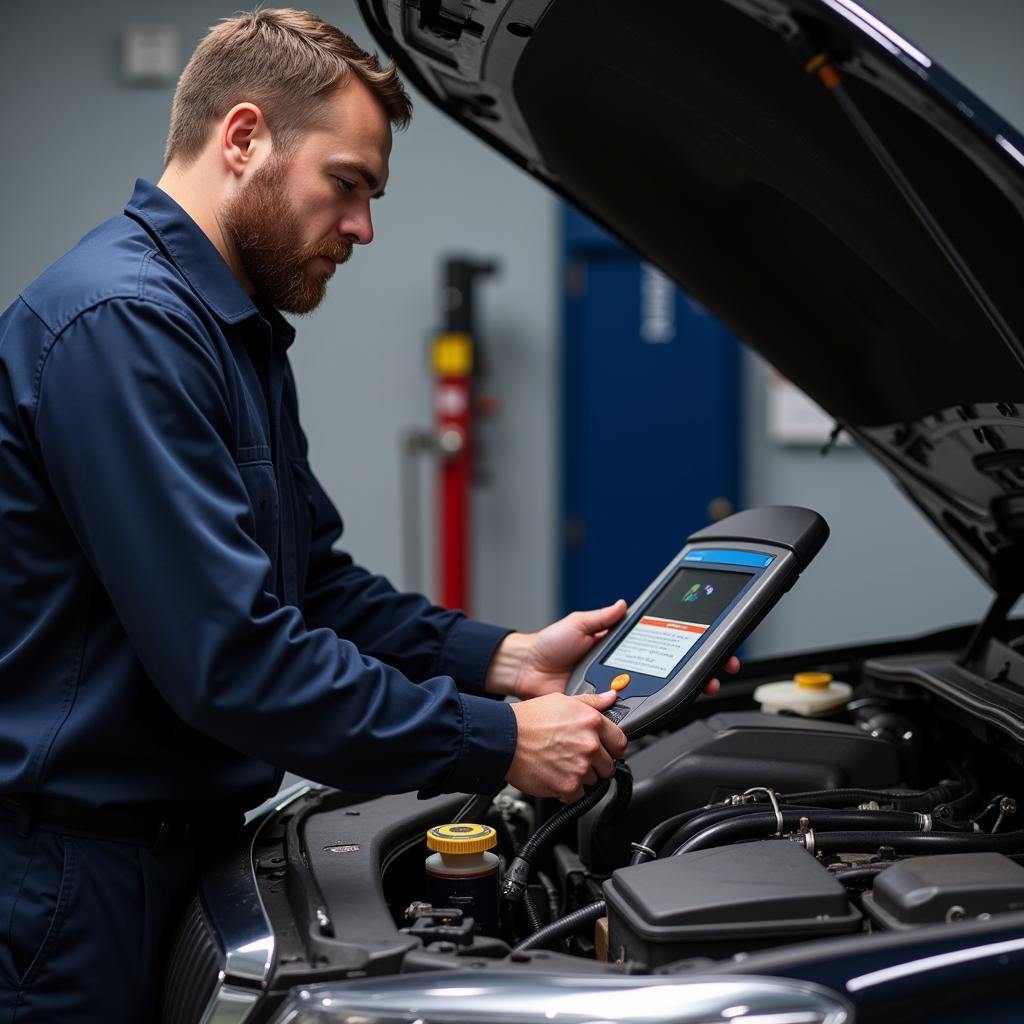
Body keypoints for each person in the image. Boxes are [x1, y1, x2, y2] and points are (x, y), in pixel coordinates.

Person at [0, 9, 736, 1021]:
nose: (362, 228)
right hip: (75, 886)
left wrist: (505, 658)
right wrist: (499, 740)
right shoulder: (123, 325)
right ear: (245, 137)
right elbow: (233, 659)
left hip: (166, 859)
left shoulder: (233, 330)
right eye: (344, 186)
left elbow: (318, 587)